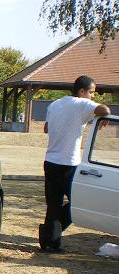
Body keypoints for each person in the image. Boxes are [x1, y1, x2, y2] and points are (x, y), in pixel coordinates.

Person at [38, 75, 111, 252]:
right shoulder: (81, 103)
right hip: (68, 163)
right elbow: (105, 109)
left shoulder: (55, 104)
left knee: (53, 204)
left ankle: (51, 240)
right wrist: (103, 118)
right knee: (78, 201)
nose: (93, 96)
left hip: (50, 161)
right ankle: (50, 235)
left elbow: (47, 128)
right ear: (81, 91)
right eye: (92, 92)